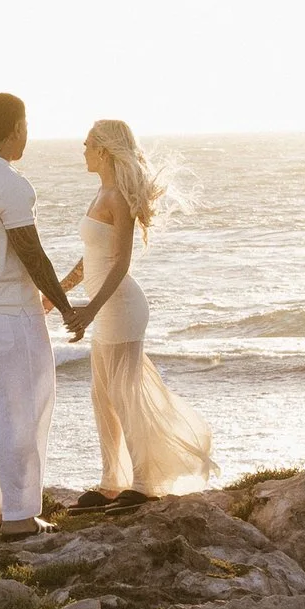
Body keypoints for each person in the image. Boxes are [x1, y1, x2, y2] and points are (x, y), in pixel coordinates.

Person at [0, 93, 81, 535]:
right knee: (24, 409)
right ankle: (22, 515)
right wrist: (65, 306)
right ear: (16, 129)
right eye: (26, 125)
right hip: (11, 315)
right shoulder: (11, 183)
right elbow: (32, 254)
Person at [62, 118, 215, 495]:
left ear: (103, 150)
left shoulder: (118, 199)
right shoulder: (99, 195)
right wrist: (57, 294)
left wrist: (91, 309)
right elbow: (89, 260)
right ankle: (112, 482)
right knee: (103, 394)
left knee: (123, 395)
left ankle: (144, 484)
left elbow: (120, 262)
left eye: (86, 144)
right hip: (105, 306)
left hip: (121, 306)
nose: (82, 150)